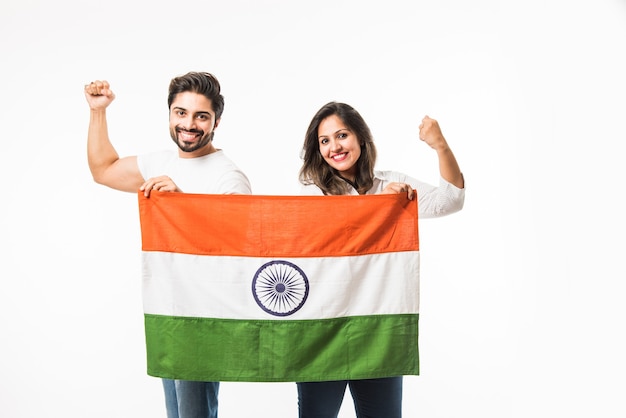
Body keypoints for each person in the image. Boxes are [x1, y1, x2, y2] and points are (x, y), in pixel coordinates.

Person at [84, 71, 251, 418]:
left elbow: (237, 253)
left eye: (200, 116)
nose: (189, 124)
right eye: (181, 113)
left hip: (203, 320)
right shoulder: (160, 162)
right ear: (170, 114)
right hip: (168, 314)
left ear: (216, 121)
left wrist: (182, 204)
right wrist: (98, 112)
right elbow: (103, 170)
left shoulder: (228, 178)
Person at [297, 101, 465, 418]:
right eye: (325, 141)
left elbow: (451, 201)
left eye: (342, 135)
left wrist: (439, 145)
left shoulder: (390, 184)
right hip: (323, 334)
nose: (334, 147)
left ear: (360, 137)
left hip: (377, 331)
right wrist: (380, 209)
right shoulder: (312, 196)